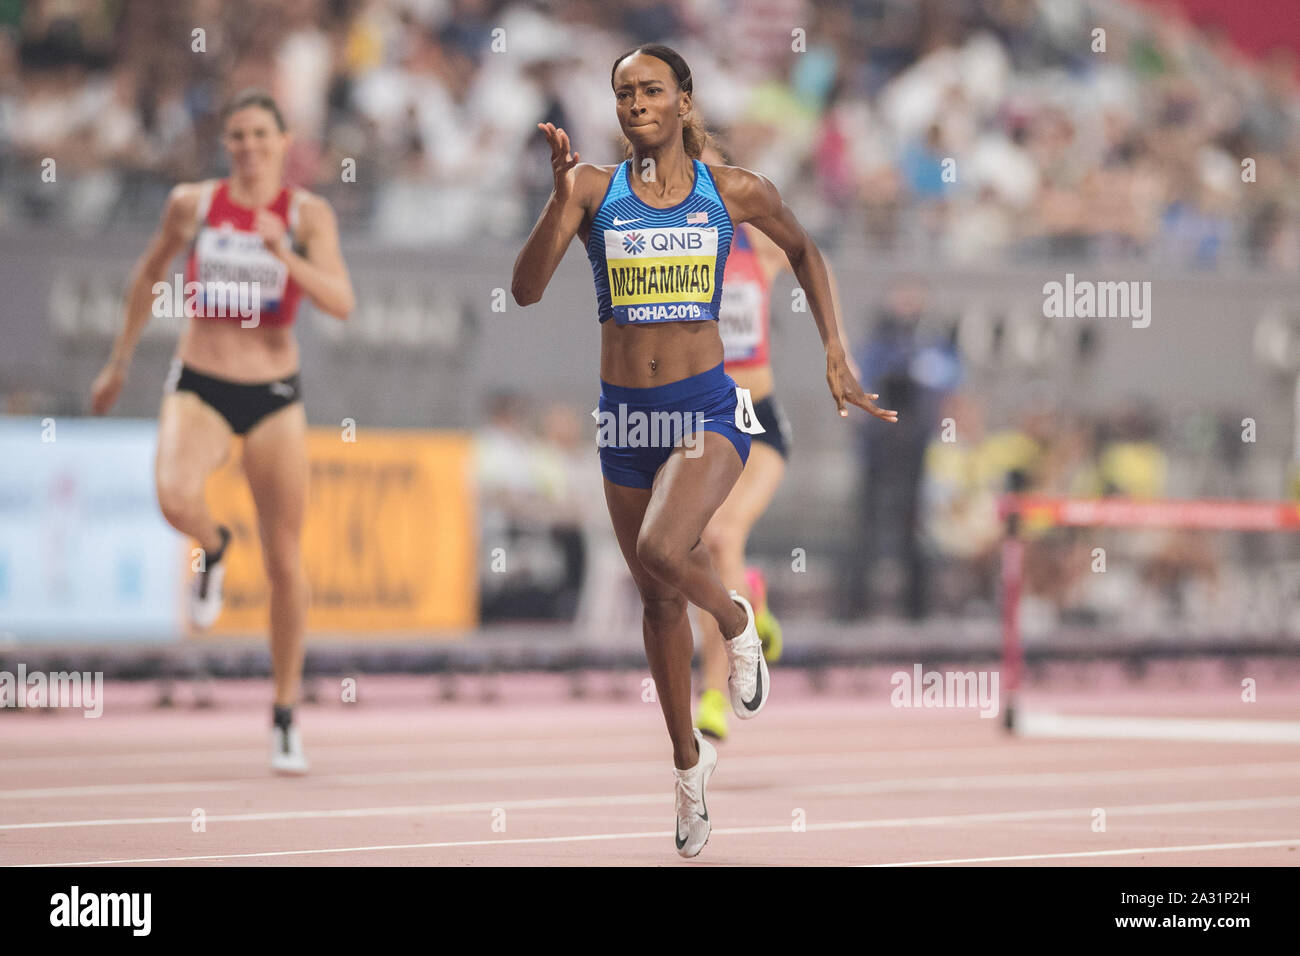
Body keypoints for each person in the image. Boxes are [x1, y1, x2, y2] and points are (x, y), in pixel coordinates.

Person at [511, 44, 897, 858]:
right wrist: (555, 200)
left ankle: (734, 617)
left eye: (652, 90)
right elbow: (526, 288)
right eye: (623, 94)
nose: (636, 104)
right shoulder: (589, 188)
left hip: (709, 409)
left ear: (684, 103)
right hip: (625, 420)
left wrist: (833, 347)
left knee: (662, 550)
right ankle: (689, 771)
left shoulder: (732, 192)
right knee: (654, 602)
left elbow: (805, 250)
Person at [89, 89, 355, 774]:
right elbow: (148, 274)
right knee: (174, 496)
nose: (248, 146)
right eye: (236, 135)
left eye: (261, 134)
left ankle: (286, 715)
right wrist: (119, 361)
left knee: (286, 562)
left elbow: (341, 302)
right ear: (226, 143)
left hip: (272, 393)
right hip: (202, 378)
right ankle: (213, 545)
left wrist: (284, 253)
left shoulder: (306, 213)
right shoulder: (194, 203)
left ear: (283, 141)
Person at [691, 142, 859, 743]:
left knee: (719, 536)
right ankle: (747, 619)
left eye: (710, 168)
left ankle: (719, 685)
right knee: (699, 563)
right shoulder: (667, 245)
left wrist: (836, 347)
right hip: (698, 423)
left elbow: (813, 257)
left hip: (755, 418)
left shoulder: (753, 243)